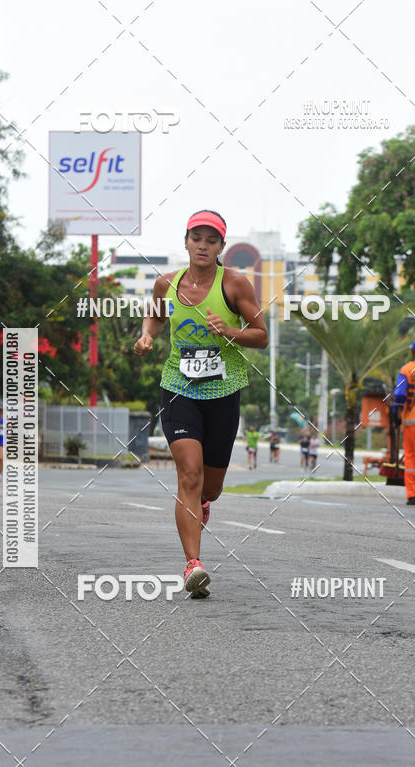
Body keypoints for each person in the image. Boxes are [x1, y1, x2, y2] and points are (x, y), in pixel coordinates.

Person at [134, 209, 268, 597]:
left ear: (222, 247)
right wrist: (147, 337)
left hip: (224, 391)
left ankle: (204, 504)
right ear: (187, 241)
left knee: (210, 486)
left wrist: (229, 331)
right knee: (188, 475)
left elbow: (261, 336)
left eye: (212, 240)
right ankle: (193, 564)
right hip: (178, 386)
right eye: (197, 238)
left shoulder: (236, 285)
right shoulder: (166, 284)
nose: (203, 246)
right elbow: (155, 318)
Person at [393, 337, 415, 505]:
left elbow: (399, 395)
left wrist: (395, 412)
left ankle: (413, 494)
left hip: (411, 422)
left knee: (411, 457)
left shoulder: (406, 370)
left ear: (413, 352)